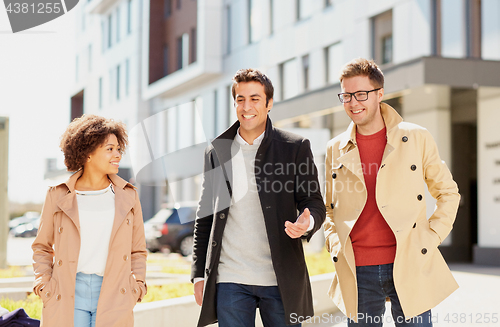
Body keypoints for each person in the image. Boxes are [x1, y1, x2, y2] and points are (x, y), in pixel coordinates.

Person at [323, 58, 460, 326]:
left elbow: (448, 193)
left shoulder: (416, 137)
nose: (353, 102)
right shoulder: (335, 148)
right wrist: (334, 243)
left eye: (361, 94)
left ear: (380, 94)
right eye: (346, 95)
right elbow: (330, 207)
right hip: (357, 268)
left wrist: (430, 237)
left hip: (409, 261)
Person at [191, 68, 326, 327]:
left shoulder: (295, 147)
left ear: (269, 103)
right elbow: (205, 216)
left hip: (280, 279)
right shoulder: (217, 151)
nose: (246, 106)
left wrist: (306, 223)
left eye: (254, 98)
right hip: (230, 279)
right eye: (240, 99)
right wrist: (198, 274)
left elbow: (314, 203)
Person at [32, 115, 147, 327]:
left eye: (118, 149)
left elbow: (138, 250)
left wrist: (137, 286)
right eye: (109, 149)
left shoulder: (128, 195)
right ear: (88, 153)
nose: (117, 155)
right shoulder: (57, 194)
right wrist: (43, 284)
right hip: (67, 290)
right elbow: (42, 246)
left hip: (116, 291)